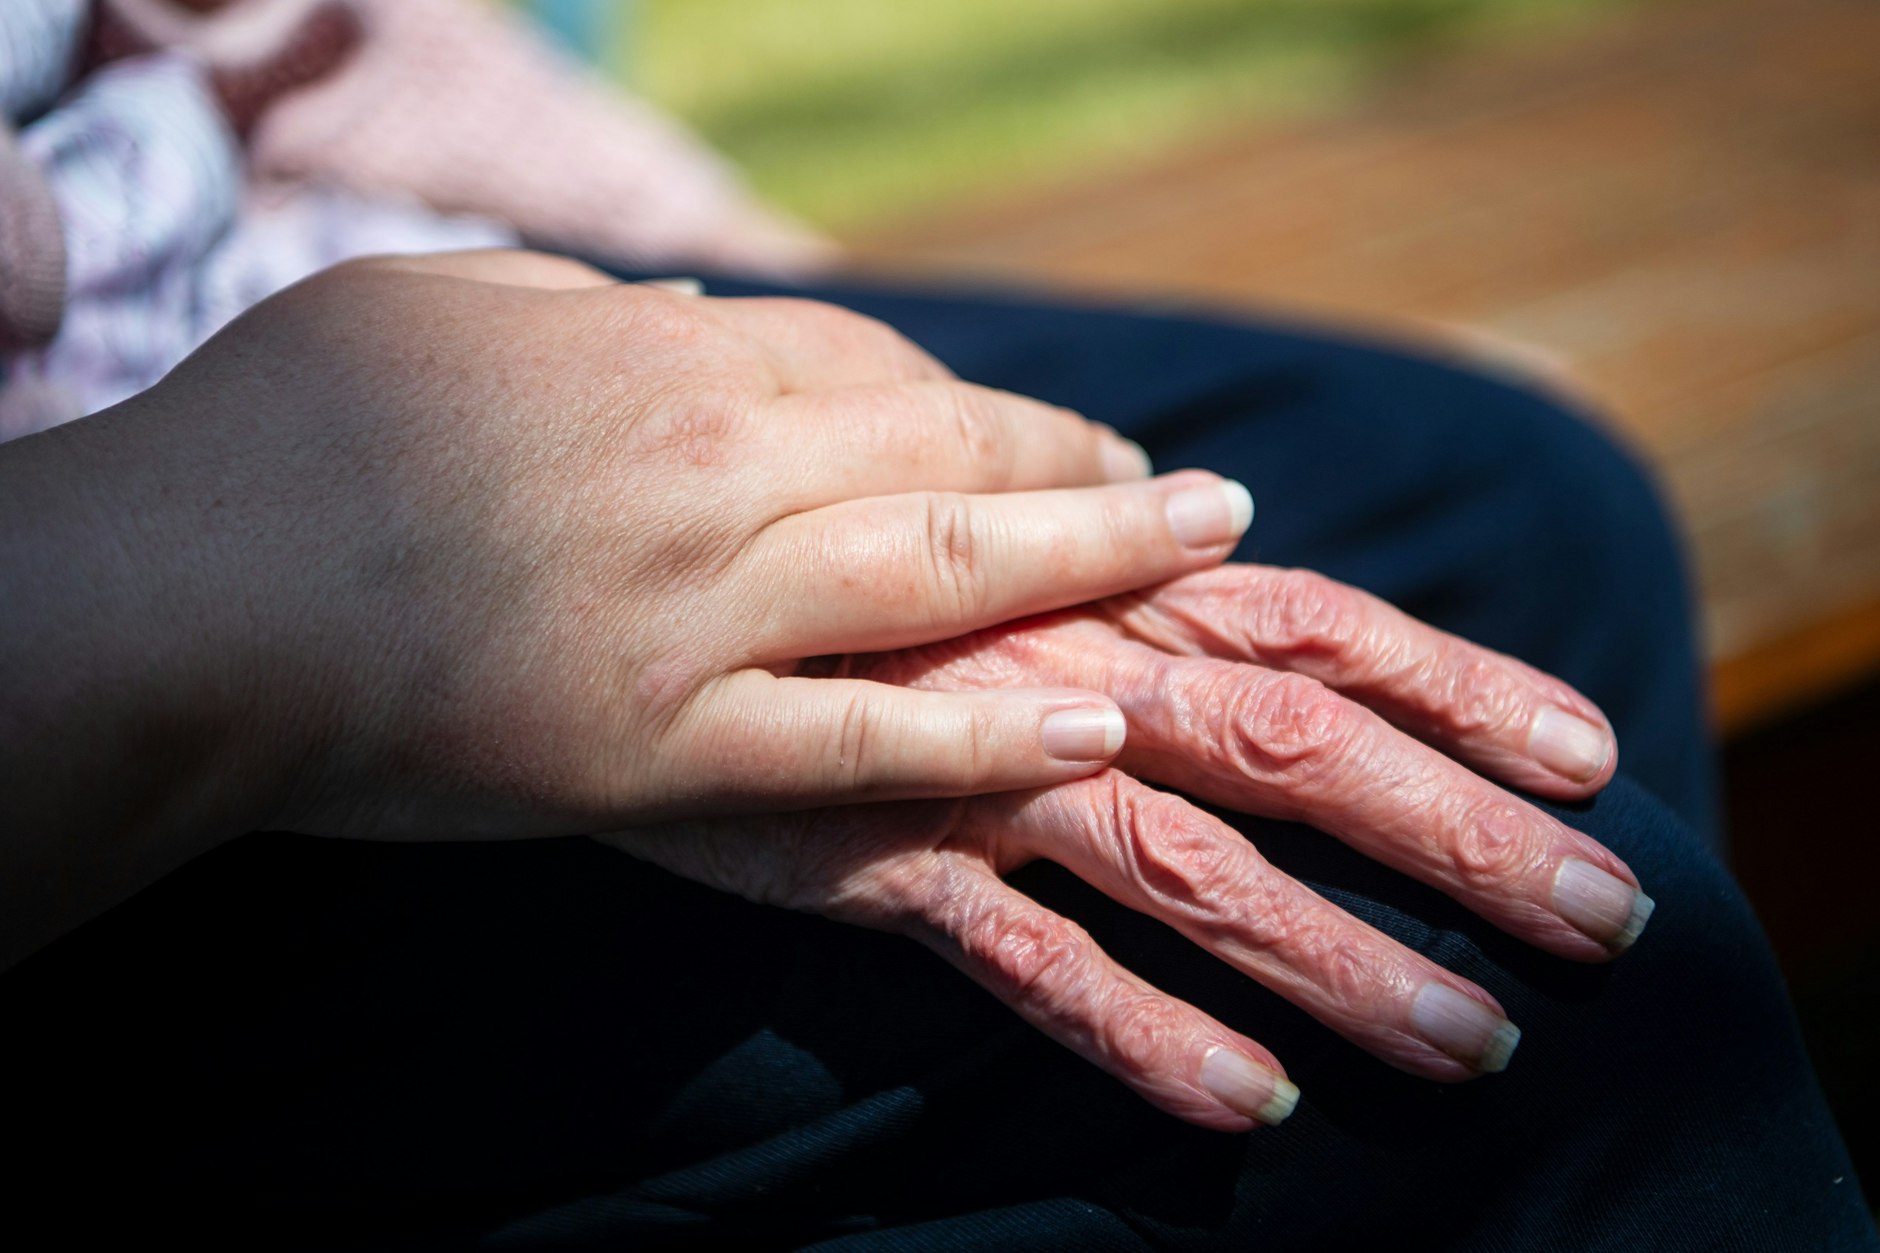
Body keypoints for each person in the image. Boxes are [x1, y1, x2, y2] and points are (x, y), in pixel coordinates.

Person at [3, 6, 1874, 1250]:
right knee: (1520, 974)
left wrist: (785, 337)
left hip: (273, 309)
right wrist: (232, 579)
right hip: (119, 633)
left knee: (1504, 513)